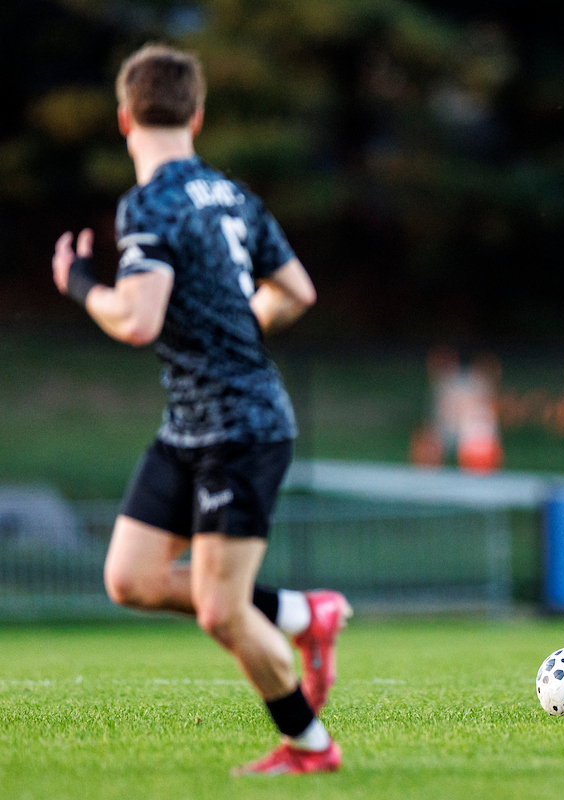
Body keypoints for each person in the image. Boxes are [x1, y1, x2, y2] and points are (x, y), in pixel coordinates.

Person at [50, 44, 350, 774]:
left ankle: (311, 747)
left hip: (242, 430)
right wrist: (239, 319)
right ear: (198, 115)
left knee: (221, 612)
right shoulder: (234, 196)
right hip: (188, 428)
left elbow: (139, 320)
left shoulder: (147, 204)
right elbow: (298, 291)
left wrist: (80, 285)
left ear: (125, 118)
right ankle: (306, 615)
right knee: (131, 579)